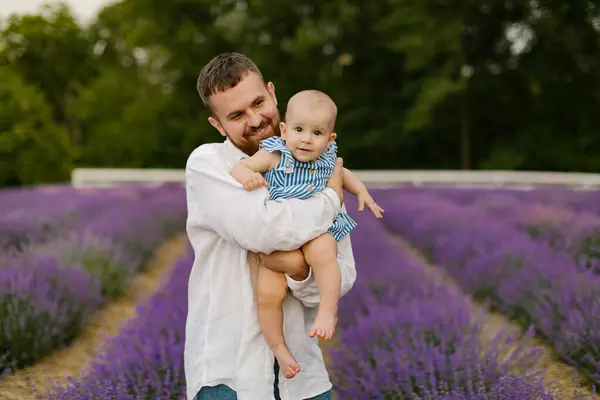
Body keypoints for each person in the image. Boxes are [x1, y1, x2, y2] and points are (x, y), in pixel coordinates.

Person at [184, 52, 357, 400]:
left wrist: (298, 271)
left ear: (273, 93)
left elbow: (343, 277)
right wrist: (330, 199)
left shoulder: (315, 163)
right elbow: (265, 229)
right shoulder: (209, 163)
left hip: (303, 379)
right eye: (236, 115)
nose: (254, 119)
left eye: (258, 102)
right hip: (230, 377)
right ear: (218, 125)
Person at [230, 89, 383, 379]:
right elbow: (241, 166)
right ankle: (279, 348)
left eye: (317, 132)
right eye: (299, 130)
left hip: (313, 234)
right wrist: (247, 176)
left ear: (330, 139)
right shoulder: (276, 153)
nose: (307, 139)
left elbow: (345, 174)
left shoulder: (327, 160)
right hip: (279, 242)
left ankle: (328, 309)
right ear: (285, 130)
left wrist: (362, 192)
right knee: (267, 295)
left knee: (325, 250)